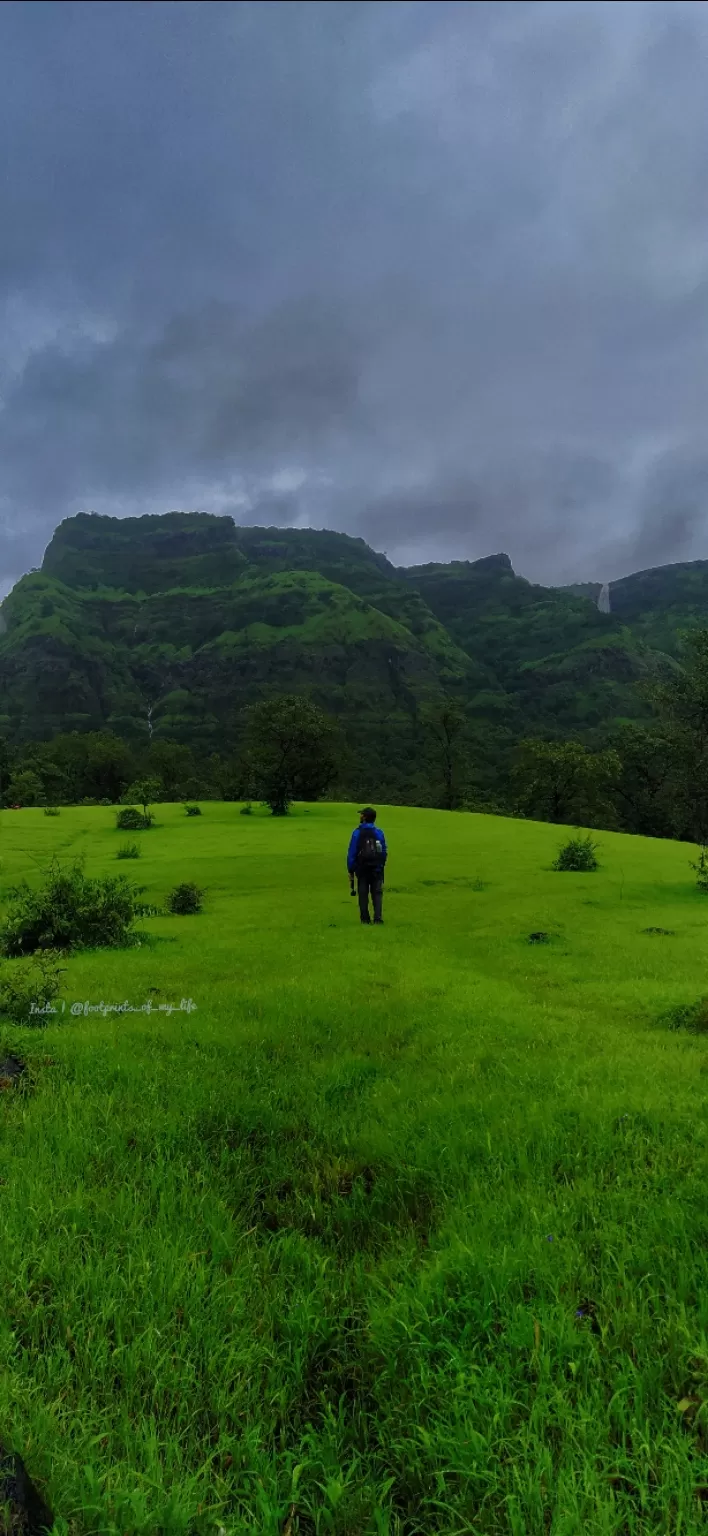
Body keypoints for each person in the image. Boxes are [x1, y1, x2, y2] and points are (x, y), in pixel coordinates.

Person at [347, 807, 387, 924]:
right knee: (377, 893)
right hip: (376, 868)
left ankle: (365, 919)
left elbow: (352, 852)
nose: (360, 817)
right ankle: (378, 918)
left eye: (361, 815)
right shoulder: (379, 832)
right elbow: (383, 851)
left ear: (364, 818)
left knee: (363, 894)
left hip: (362, 868)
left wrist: (351, 869)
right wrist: (381, 865)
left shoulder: (357, 832)